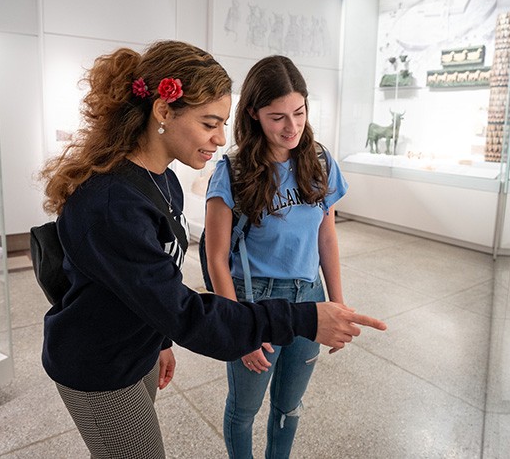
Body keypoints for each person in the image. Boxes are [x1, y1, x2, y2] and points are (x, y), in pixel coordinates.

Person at [39, 40, 386, 459]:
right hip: (99, 364)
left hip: (135, 347)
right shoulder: (113, 204)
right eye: (209, 123)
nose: (221, 138)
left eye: (222, 123)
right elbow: (188, 311)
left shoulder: (161, 180)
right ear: (163, 111)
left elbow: (151, 285)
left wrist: (159, 342)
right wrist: (304, 317)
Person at [204, 55, 349, 459]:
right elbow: (217, 258)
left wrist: (336, 303)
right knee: (245, 409)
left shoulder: (319, 161)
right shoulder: (232, 171)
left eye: (299, 112)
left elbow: (327, 235)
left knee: (289, 408)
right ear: (253, 114)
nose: (292, 127)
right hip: (256, 301)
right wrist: (237, 328)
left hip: (310, 295)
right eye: (277, 117)